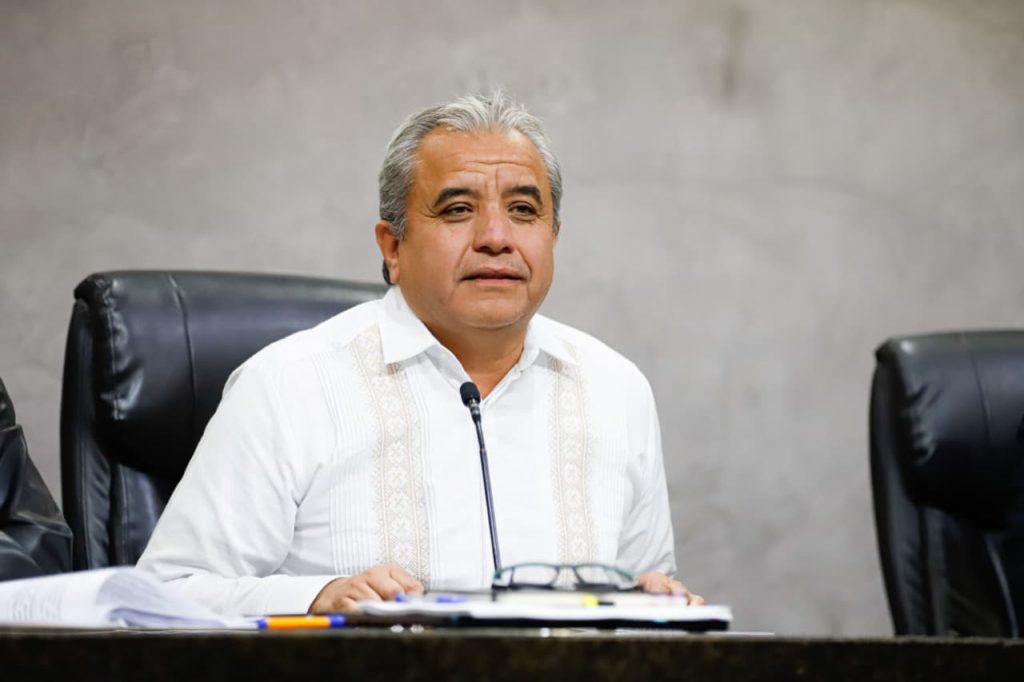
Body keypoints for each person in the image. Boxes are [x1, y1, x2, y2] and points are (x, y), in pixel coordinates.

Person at [138, 92, 701, 615]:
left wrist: (650, 602)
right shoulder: (288, 385)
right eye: (457, 210)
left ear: (552, 235)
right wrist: (315, 597)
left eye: (523, 210)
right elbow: (163, 596)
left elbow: (648, 593)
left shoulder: (616, 390)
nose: (496, 237)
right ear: (393, 247)